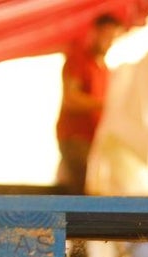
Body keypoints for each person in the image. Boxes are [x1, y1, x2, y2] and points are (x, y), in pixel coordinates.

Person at [55, 13, 123, 195]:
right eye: (106, 36)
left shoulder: (104, 69)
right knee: (81, 190)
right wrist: (105, 105)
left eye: (113, 37)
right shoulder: (78, 60)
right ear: (94, 33)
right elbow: (71, 98)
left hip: (94, 139)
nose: (109, 41)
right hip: (76, 137)